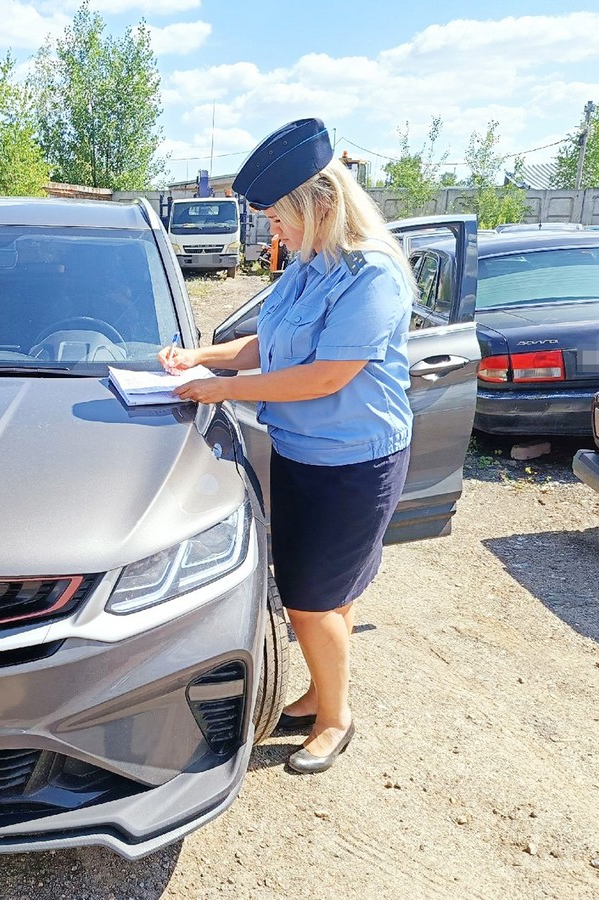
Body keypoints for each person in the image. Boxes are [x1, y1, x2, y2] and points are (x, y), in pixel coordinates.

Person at [159, 118, 415, 775]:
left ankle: (335, 719)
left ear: (321, 206)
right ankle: (322, 692)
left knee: (307, 599)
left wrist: (221, 391)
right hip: (306, 453)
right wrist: (202, 356)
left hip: (356, 463)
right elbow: (267, 344)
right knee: (331, 598)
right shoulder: (310, 266)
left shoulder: (371, 275)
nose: (273, 230)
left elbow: (328, 374)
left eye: (279, 217)